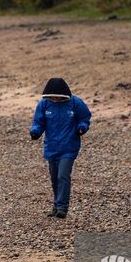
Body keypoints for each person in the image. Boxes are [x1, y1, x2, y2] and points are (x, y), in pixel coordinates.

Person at [29, 77, 92, 219]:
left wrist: (82, 128)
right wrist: (36, 132)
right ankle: (56, 206)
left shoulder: (75, 103)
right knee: (54, 178)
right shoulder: (44, 104)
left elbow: (85, 118)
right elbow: (38, 121)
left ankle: (63, 207)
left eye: (57, 97)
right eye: (53, 97)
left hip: (69, 146)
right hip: (51, 147)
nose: (55, 99)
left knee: (63, 176)